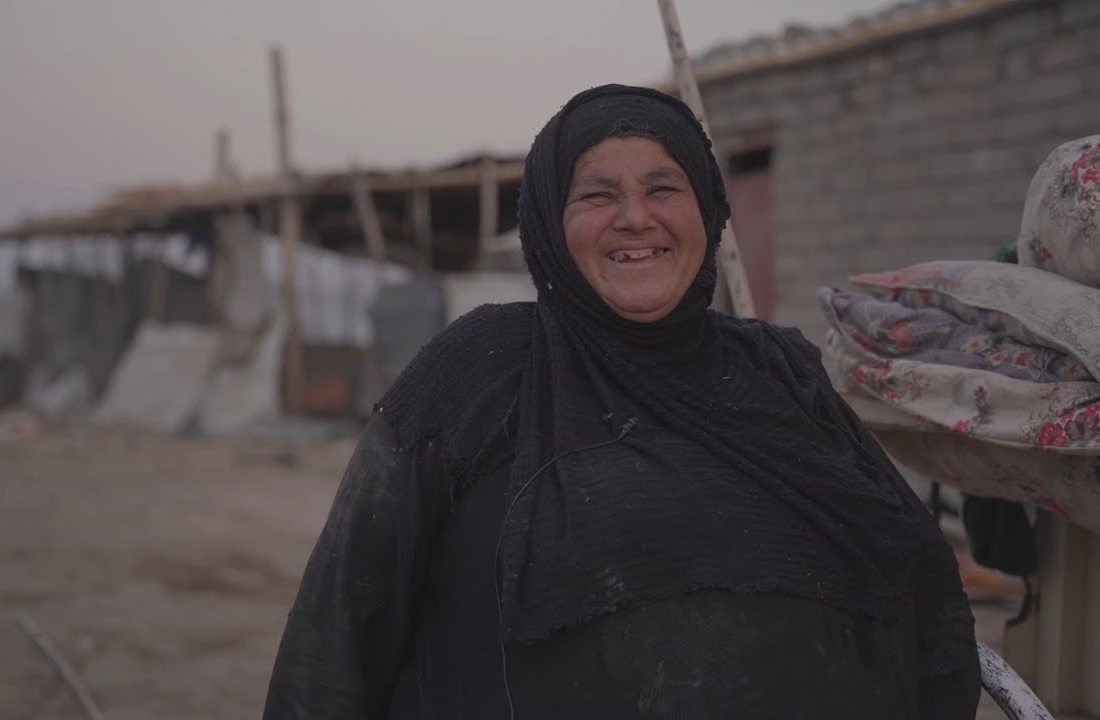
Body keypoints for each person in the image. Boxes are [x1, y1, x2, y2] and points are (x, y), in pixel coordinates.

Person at [262, 84, 980, 719]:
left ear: (707, 209)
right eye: (598, 195)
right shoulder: (479, 370)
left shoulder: (781, 371)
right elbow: (339, 632)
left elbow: (918, 572)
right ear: (548, 223)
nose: (635, 217)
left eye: (665, 188)